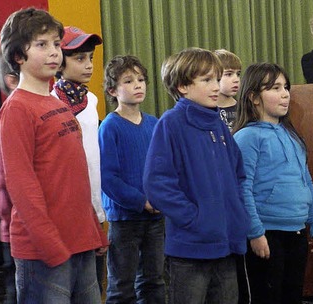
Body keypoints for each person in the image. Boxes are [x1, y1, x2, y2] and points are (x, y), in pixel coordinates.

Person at [0, 8, 108, 302]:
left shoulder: (55, 103)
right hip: (46, 252)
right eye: (42, 45)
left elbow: (76, 175)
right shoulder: (17, 108)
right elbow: (21, 184)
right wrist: (48, 242)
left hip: (80, 243)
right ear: (19, 56)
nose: (54, 53)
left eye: (57, 44)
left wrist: (93, 230)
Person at [143, 47, 250, 303]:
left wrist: (237, 216)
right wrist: (195, 219)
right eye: (207, 80)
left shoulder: (218, 125)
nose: (216, 86)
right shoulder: (171, 124)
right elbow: (156, 183)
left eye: (216, 78)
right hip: (191, 250)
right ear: (182, 86)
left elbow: (238, 174)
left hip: (225, 246)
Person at [232, 62, 313, 304]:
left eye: (286, 87)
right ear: (253, 97)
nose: (285, 93)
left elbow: (306, 181)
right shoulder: (247, 137)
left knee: (291, 296)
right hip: (266, 233)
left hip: (295, 232)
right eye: (275, 88)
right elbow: (243, 189)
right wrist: (255, 232)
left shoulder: (291, 135)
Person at [100, 55, 165, 303]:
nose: (138, 85)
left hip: (155, 218)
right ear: (112, 90)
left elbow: (164, 168)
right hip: (125, 220)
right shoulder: (110, 126)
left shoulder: (154, 124)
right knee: (122, 284)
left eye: (141, 79)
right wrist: (141, 201)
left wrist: (160, 198)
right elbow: (108, 178)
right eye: (128, 81)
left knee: (154, 280)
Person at [51, 26, 107, 291]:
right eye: (79, 58)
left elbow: (94, 160)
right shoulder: (50, 101)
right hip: (65, 209)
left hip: (92, 205)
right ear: (60, 62)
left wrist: (98, 210)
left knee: (94, 284)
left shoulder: (92, 100)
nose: (88, 65)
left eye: (91, 58)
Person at [0, 48, 19, 304]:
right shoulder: (12, 115)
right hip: (16, 230)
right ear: (12, 80)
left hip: (18, 228)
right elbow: (8, 181)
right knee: (18, 291)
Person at [215, 49, 242, 131]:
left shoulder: (244, 109)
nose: (236, 79)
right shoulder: (204, 110)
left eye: (238, 74)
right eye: (229, 74)